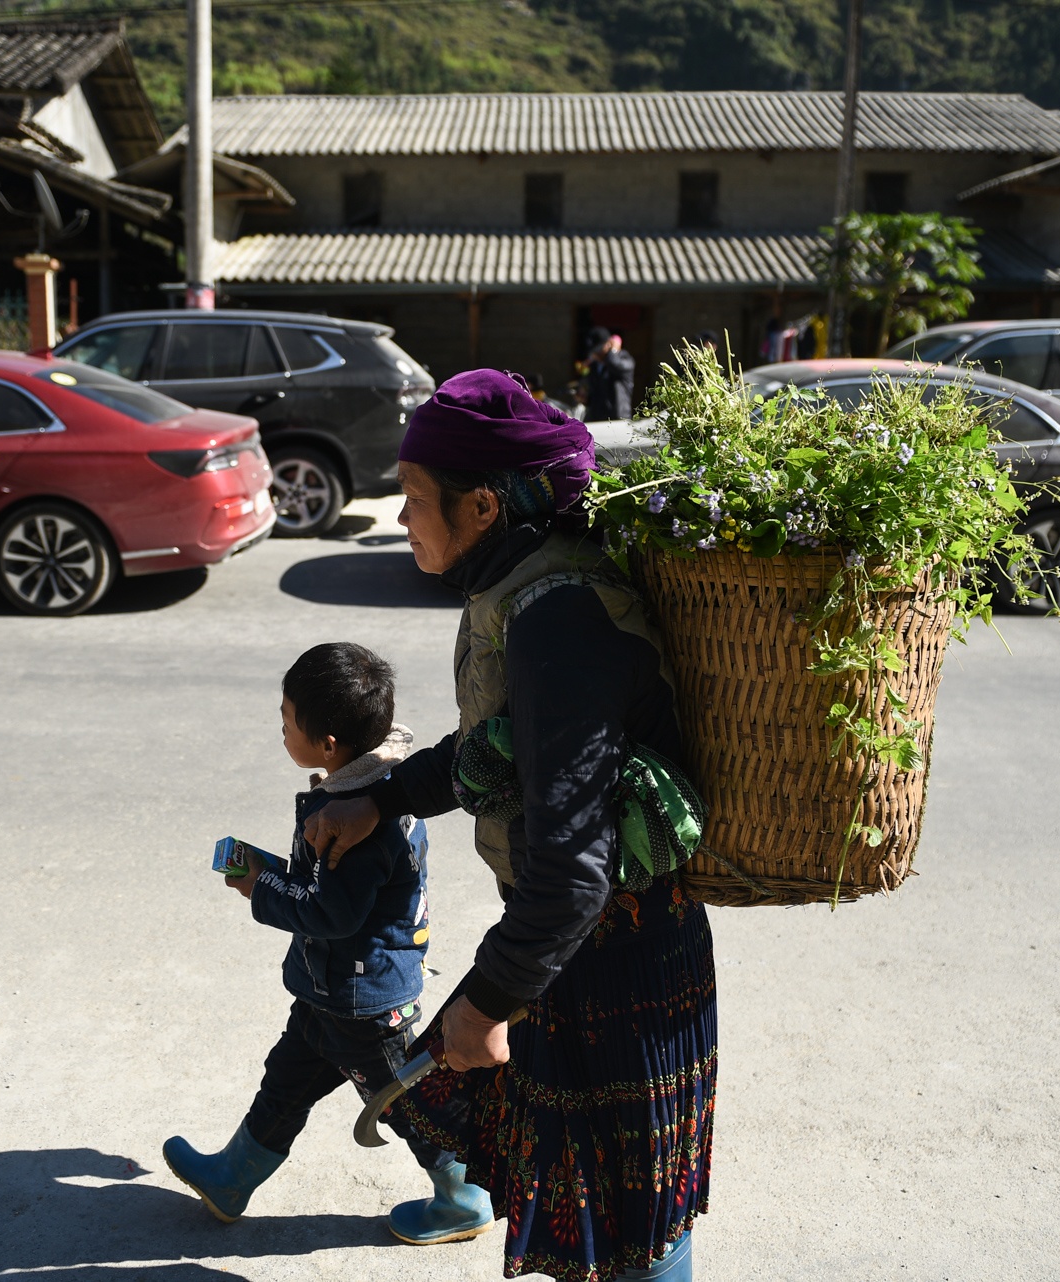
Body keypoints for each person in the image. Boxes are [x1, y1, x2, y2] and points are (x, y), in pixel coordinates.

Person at [305, 371, 716, 1281]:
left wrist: (491, 1002)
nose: (402, 516)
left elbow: (574, 869)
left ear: (482, 505)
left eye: (414, 499)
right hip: (590, 943)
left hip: (608, 955)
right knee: (604, 1203)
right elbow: (501, 745)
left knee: (628, 1219)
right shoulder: (529, 585)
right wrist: (384, 795)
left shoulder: (557, 617)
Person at [161, 643, 493, 1245]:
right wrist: (270, 869)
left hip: (363, 1000)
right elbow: (325, 890)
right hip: (329, 992)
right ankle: (232, 1179)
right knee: (285, 1082)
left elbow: (329, 913)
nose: (281, 729)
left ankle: (464, 1196)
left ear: (330, 744)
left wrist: (257, 890)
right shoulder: (373, 791)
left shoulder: (354, 821)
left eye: (287, 720)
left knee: (403, 1101)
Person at [578, 327, 636, 421]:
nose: (597, 354)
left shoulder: (624, 359)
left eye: (599, 349)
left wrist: (613, 351)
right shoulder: (594, 366)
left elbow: (616, 366)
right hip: (597, 419)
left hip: (617, 419)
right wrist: (585, 397)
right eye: (594, 352)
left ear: (609, 344)